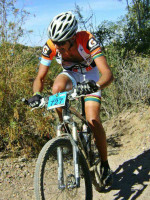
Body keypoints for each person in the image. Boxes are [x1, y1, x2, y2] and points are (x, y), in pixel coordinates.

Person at [28, 11, 114, 186]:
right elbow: (40, 78)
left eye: (61, 43)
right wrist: (36, 95)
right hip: (70, 74)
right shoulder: (51, 45)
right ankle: (65, 130)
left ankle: (104, 164)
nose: (56, 46)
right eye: (54, 42)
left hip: (91, 75)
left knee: (93, 120)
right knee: (56, 88)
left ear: (72, 38)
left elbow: (107, 74)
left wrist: (96, 85)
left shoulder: (87, 39)